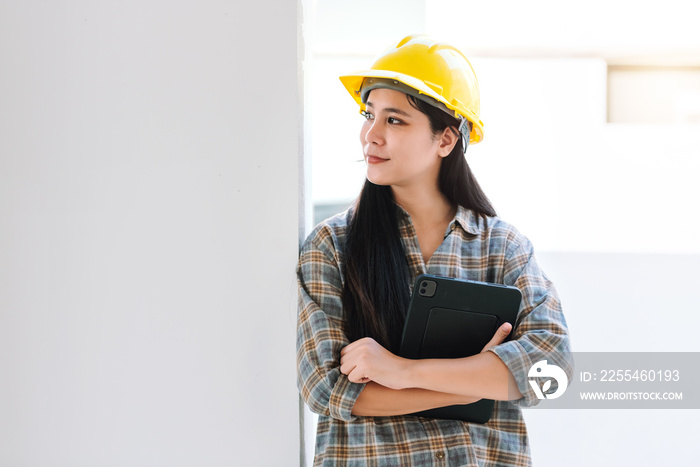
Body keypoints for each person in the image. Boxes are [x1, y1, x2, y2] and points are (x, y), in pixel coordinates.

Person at [297, 34, 573, 466]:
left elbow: (549, 371)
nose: (370, 135)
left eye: (395, 120)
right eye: (370, 115)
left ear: (445, 140)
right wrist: (481, 377)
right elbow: (326, 389)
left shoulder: (502, 248)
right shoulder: (332, 246)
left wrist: (399, 371)